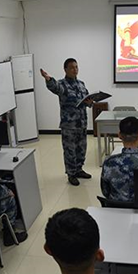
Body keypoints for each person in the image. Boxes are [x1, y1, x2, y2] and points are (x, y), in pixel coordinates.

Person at [40, 58, 93, 186]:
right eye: (72, 67)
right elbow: (55, 87)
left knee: (81, 149)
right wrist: (48, 79)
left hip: (82, 123)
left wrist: (90, 102)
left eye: (76, 67)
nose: (75, 70)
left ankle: (79, 169)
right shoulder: (62, 84)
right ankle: (71, 174)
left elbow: (87, 99)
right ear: (65, 69)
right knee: (70, 151)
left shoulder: (81, 84)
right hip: (69, 126)